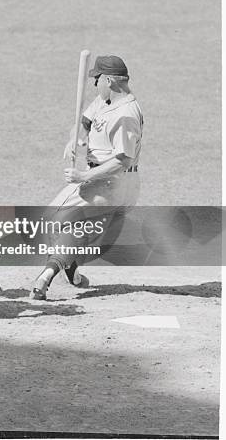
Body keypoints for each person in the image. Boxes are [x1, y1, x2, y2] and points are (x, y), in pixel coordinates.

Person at [31, 55, 143, 300]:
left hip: (109, 183)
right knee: (81, 227)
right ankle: (66, 269)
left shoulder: (125, 115)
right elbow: (83, 122)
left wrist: (83, 175)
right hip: (116, 184)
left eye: (98, 79)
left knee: (50, 219)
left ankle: (56, 269)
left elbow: (122, 160)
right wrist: (74, 139)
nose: (95, 84)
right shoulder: (105, 100)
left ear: (110, 80)